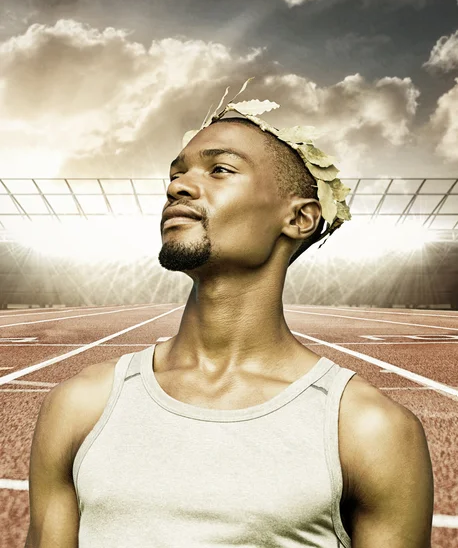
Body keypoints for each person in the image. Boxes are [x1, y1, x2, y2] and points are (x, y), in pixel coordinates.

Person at [25, 116, 434, 548]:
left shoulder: (369, 429)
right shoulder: (78, 405)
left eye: (219, 169)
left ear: (299, 218)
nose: (177, 187)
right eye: (177, 173)